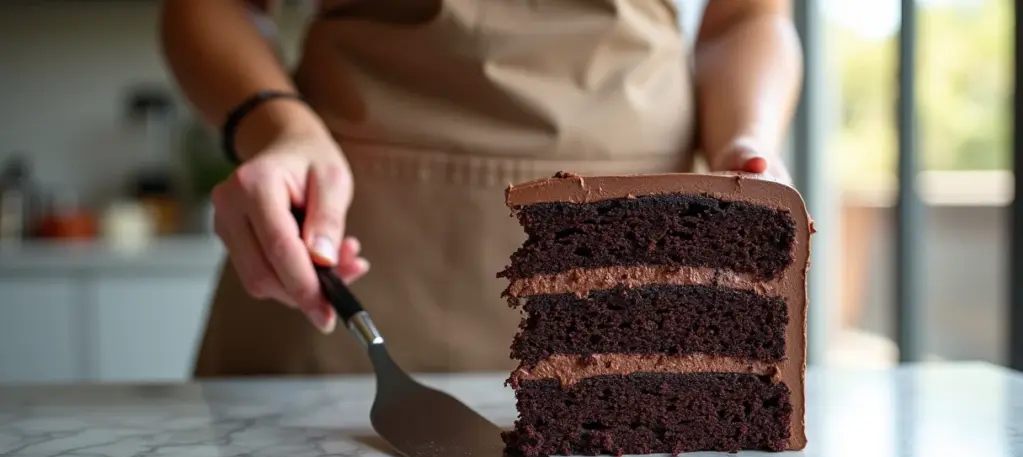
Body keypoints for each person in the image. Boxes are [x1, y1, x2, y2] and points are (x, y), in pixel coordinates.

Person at [160, 0, 803, 377]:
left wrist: (745, 142)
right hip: (354, 235)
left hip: (638, 244)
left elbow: (746, 16)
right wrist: (279, 129)